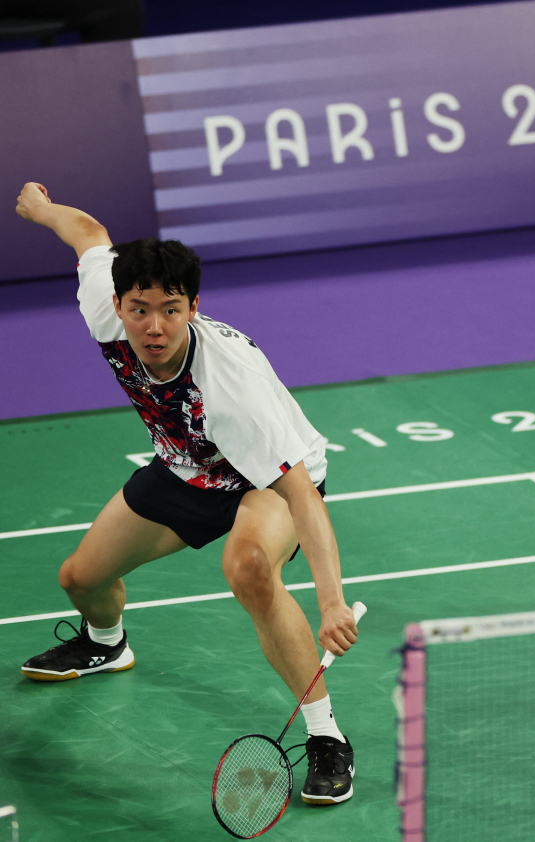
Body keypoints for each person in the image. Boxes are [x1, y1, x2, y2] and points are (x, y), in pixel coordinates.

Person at [14, 182, 360, 805]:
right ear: (117, 304)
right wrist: (43, 212)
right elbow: (90, 232)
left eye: (171, 309)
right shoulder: (106, 308)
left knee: (249, 567)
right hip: (185, 466)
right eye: (140, 308)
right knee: (80, 578)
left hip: (266, 479)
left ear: (194, 306)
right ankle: (105, 643)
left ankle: (325, 734)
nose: (154, 326)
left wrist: (332, 601)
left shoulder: (231, 390)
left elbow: (303, 496)